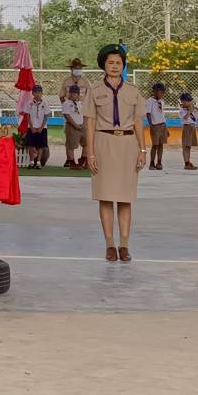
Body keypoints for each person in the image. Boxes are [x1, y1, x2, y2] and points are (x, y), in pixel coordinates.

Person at [83, 44, 146, 262]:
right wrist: (90, 152)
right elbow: (89, 123)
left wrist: (142, 149)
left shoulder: (133, 91)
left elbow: (138, 122)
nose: (115, 66)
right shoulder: (94, 90)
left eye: (118, 63)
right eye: (110, 62)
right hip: (103, 142)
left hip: (128, 143)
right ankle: (110, 243)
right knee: (106, 197)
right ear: (103, 65)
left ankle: (125, 245)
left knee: (126, 198)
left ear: (123, 65)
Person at [144, 83, 170, 171]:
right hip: (155, 126)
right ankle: (152, 163)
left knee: (161, 145)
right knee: (155, 145)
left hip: (162, 125)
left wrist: (166, 128)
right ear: (154, 91)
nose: (161, 94)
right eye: (159, 92)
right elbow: (148, 113)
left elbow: (162, 114)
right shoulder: (150, 101)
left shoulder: (162, 101)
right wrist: (151, 125)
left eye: (162, 92)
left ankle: (159, 162)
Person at [61, 84, 87, 169]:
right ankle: (72, 162)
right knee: (71, 145)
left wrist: (84, 124)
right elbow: (67, 116)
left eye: (75, 93)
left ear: (78, 94)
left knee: (86, 143)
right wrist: (75, 125)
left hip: (82, 126)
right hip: (72, 126)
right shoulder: (66, 103)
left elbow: (84, 114)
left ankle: (83, 160)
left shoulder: (80, 103)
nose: (72, 94)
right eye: (71, 92)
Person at [25, 84, 50, 169]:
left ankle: (38, 162)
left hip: (42, 128)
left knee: (41, 145)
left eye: (39, 92)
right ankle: (32, 162)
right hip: (31, 127)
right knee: (31, 145)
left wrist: (41, 127)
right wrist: (31, 126)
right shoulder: (29, 103)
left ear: (42, 93)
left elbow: (46, 116)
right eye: (35, 92)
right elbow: (27, 115)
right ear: (32, 93)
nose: (37, 94)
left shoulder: (45, 103)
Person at [179, 93, 198, 170]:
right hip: (187, 128)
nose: (189, 102)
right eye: (187, 101)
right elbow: (185, 118)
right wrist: (189, 111)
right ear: (182, 101)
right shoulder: (182, 110)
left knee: (189, 147)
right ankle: (186, 163)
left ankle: (188, 162)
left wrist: (194, 109)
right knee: (186, 146)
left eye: (190, 101)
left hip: (192, 128)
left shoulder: (193, 108)